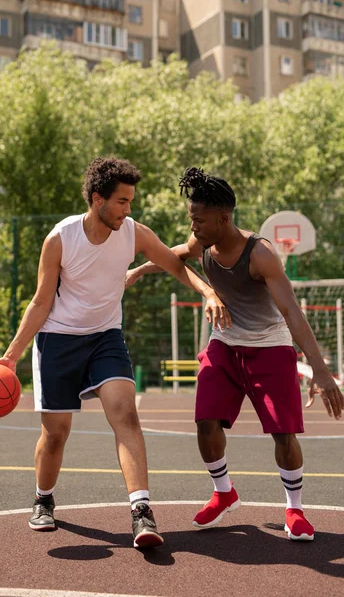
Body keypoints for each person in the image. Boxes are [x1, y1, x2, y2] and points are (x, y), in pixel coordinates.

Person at [0, 157, 222, 549]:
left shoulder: (133, 233)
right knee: (56, 434)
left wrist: (209, 292)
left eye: (130, 201)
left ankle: (141, 512)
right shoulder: (61, 239)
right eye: (121, 201)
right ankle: (43, 498)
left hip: (105, 337)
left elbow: (174, 264)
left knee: (125, 414)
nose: (127, 209)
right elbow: (40, 301)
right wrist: (11, 356)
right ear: (97, 199)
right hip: (58, 340)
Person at [126, 166, 344, 542]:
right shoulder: (203, 243)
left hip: (270, 346)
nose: (193, 226)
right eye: (191, 218)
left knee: (284, 435)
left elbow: (292, 312)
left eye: (199, 219)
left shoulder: (261, 254)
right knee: (205, 422)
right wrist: (142, 269)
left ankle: (294, 509)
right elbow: (177, 255)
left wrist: (321, 372)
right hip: (225, 344)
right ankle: (224, 492)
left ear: (224, 218)